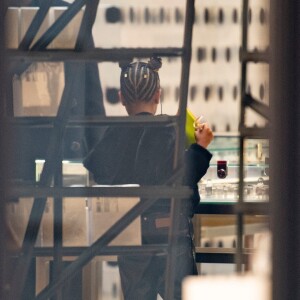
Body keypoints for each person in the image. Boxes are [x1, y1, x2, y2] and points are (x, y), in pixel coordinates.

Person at [83, 57, 214, 300]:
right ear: (158, 95)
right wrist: (201, 147)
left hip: (132, 239)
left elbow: (97, 168)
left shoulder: (113, 134)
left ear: (122, 98)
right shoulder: (168, 131)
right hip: (172, 236)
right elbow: (185, 176)